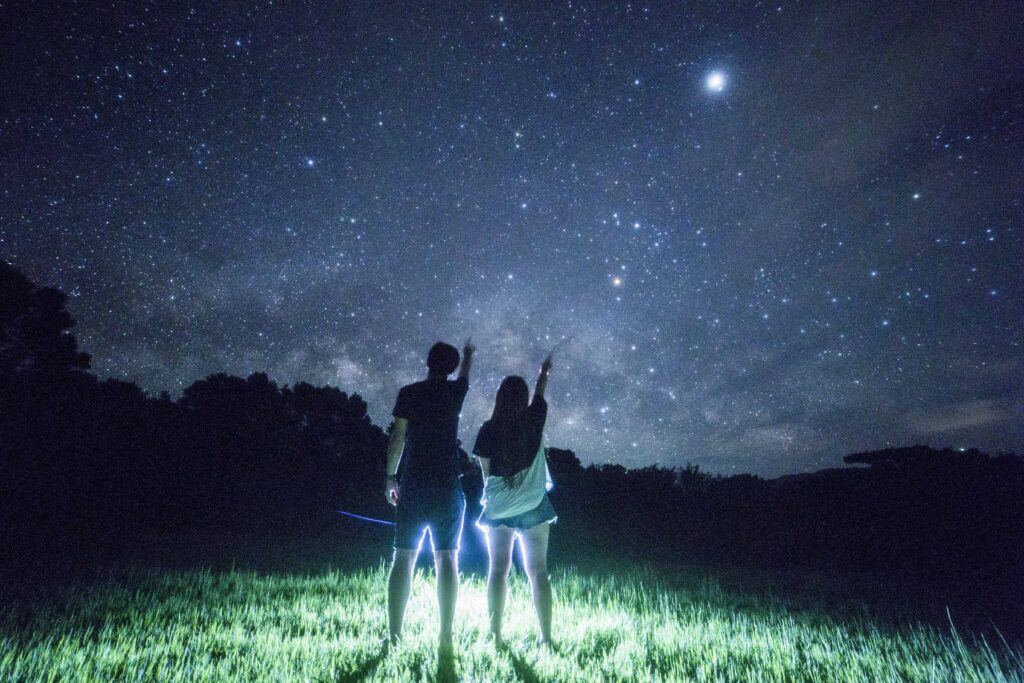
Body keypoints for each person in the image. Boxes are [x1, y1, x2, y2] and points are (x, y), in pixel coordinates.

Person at [384, 339, 475, 651]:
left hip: (413, 485)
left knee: (403, 558)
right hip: (448, 486)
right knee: (447, 559)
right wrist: (469, 355)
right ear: (450, 367)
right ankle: (446, 635)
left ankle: (394, 634)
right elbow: (465, 376)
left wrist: (389, 476)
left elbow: (398, 437)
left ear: (427, 362)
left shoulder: (409, 393)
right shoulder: (455, 392)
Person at [473, 354, 556, 648]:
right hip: (534, 506)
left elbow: (485, 474)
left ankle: (496, 637)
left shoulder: (487, 429)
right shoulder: (534, 419)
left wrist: (497, 501)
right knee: (539, 573)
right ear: (523, 400)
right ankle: (546, 638)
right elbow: (540, 395)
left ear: (498, 398)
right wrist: (543, 372)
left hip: (500, 510)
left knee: (498, 571)